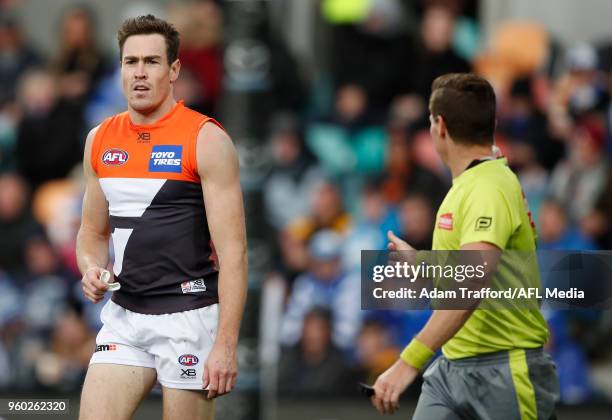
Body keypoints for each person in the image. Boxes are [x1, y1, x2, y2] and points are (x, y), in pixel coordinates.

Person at [76, 15, 247, 420]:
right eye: (129, 61)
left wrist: (225, 345)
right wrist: (89, 268)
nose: (138, 72)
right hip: (125, 314)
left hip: (188, 319)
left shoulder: (205, 138)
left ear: (173, 70)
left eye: (151, 62)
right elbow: (91, 231)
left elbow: (235, 254)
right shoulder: (99, 139)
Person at [369, 73, 559, 419]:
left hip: (504, 369)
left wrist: (407, 362)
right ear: (493, 124)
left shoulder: (487, 187)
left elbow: (471, 282)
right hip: (453, 367)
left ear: (439, 126)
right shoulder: (474, 183)